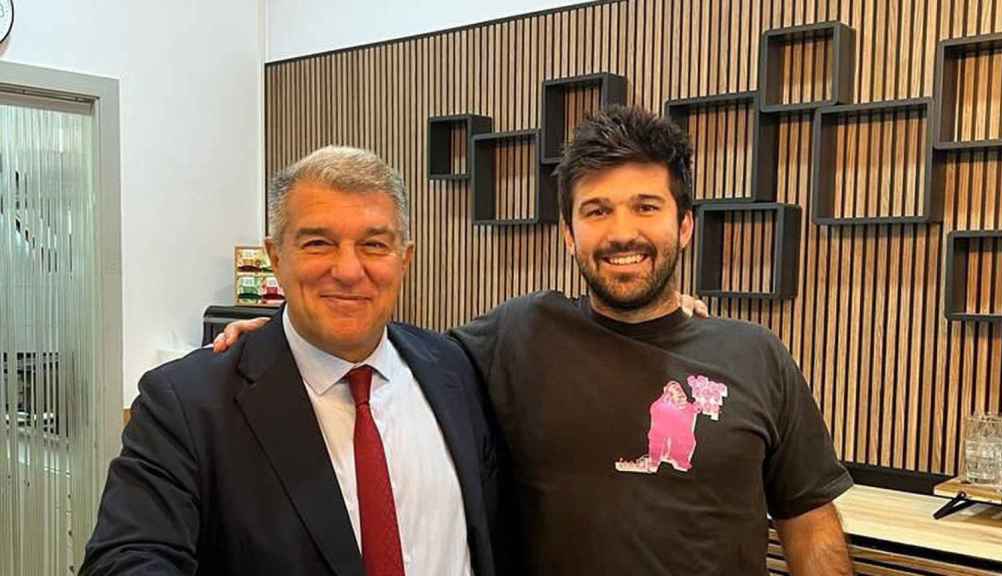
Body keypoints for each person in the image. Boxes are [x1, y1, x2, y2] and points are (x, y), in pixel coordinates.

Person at [218, 106, 854, 575]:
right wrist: (286, 338)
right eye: (597, 211)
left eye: (646, 207)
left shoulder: (755, 354)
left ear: (685, 225)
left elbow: (809, 521)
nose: (622, 232)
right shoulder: (517, 336)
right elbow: (392, 352)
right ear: (570, 235)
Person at [81, 147, 499, 576]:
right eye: (319, 243)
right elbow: (124, 561)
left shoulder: (455, 369)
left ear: (404, 259)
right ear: (275, 257)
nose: (349, 270)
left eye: (374, 245)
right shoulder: (188, 404)